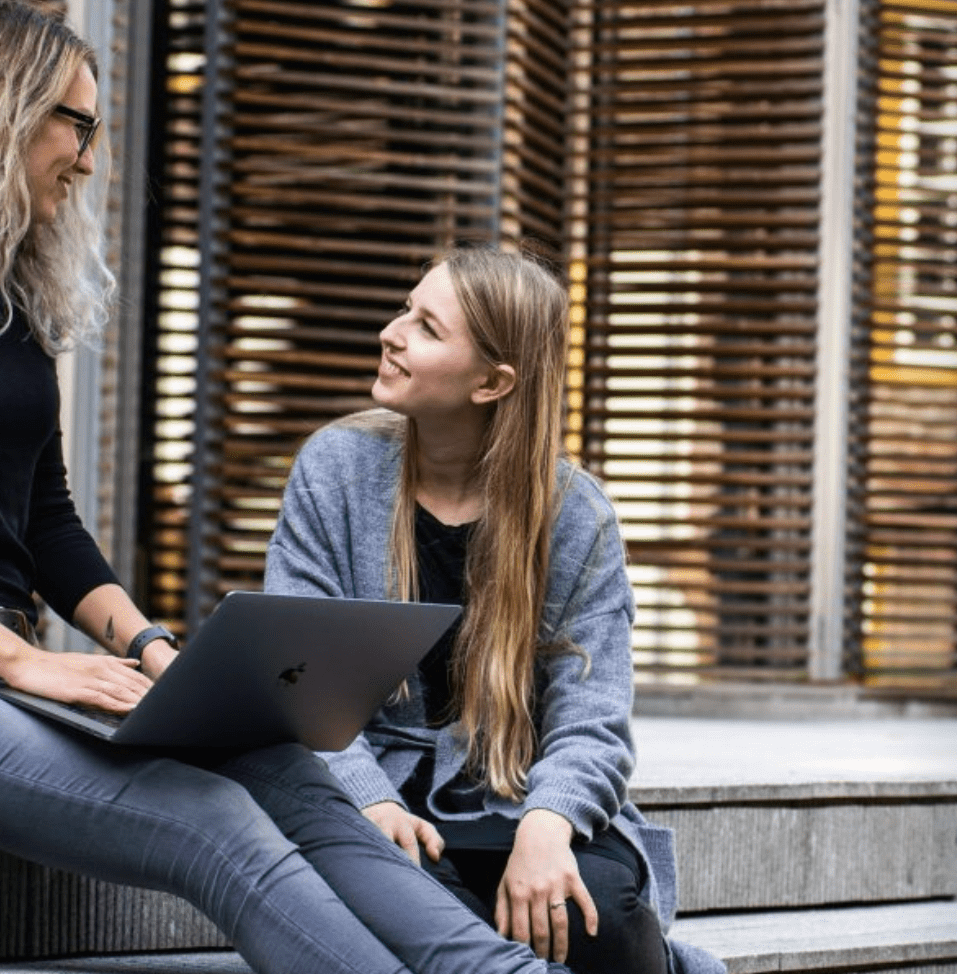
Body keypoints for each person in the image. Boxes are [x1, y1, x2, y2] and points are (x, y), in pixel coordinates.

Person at [0, 3, 577, 972]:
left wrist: (153, 646)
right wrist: (16, 658)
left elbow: (47, 521)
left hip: (0, 659)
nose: (89, 158)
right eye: (75, 125)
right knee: (211, 816)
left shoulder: (9, 296)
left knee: (290, 774)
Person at [264, 247, 725, 974]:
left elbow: (592, 718)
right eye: (403, 309)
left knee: (592, 913)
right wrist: (369, 802)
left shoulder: (574, 515)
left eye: (426, 326)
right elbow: (296, 676)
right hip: (372, 792)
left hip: (512, 795)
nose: (391, 331)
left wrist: (548, 827)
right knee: (406, 897)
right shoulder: (336, 468)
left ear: (492, 382)